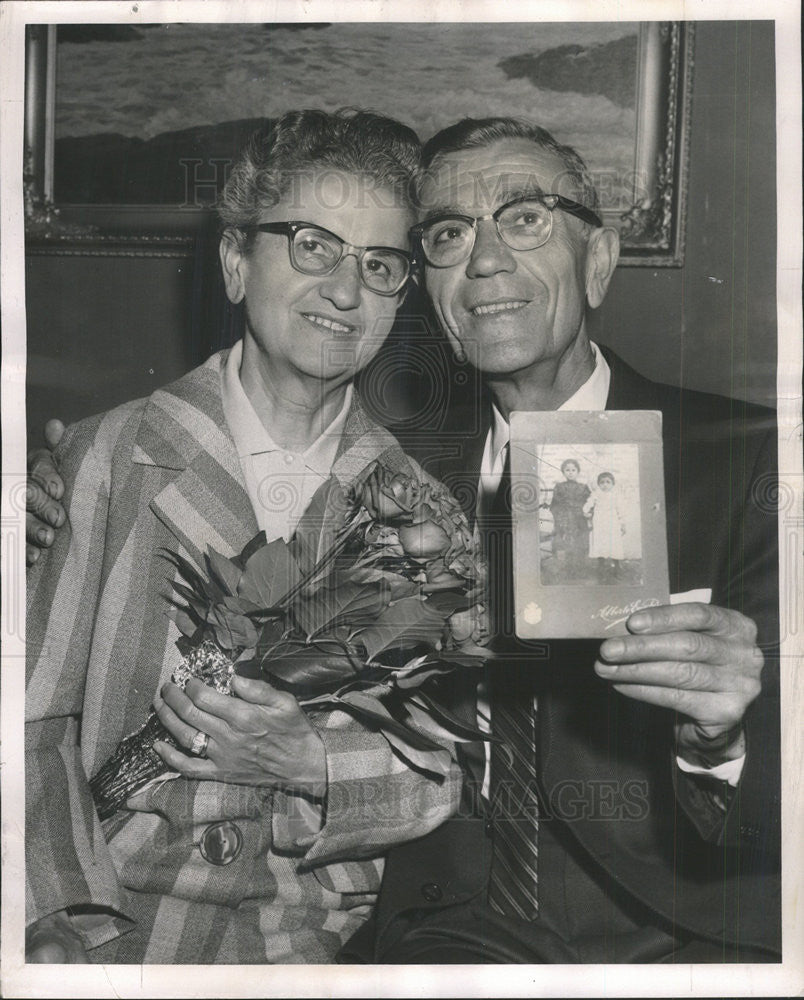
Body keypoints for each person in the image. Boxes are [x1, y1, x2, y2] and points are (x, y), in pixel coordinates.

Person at [26, 117, 781, 964]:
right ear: (430, 291)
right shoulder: (406, 477)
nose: (487, 260)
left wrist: (721, 738)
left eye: (525, 218)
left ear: (599, 261)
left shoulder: (750, 460)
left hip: (680, 936)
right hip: (440, 931)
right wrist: (42, 504)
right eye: (451, 235)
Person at [23, 109, 463, 965]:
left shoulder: (419, 514)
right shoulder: (109, 460)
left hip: (308, 940)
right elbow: (30, 724)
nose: (345, 289)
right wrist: (60, 919)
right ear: (234, 262)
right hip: (109, 920)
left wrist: (313, 764)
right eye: (311, 244)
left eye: (380, 265)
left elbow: (441, 771)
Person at [548, 458, 591, 580]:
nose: (570, 472)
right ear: (563, 472)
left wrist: (588, 513)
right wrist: (560, 519)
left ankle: (581, 569)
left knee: (581, 543)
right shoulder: (559, 487)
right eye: (567, 470)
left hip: (580, 519)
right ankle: (569, 569)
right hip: (565, 519)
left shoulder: (583, 487)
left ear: (578, 472)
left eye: (573, 470)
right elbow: (554, 506)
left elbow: (589, 503)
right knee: (568, 544)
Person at [583, 471, 625, 581]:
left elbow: (621, 510)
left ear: (613, 484)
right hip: (599, 521)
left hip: (612, 522)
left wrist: (622, 523)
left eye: (608, 482)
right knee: (600, 542)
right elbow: (589, 503)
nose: (605, 485)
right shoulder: (596, 494)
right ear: (598, 484)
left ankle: (617, 566)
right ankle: (600, 566)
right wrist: (586, 511)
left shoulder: (616, 495)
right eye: (602, 482)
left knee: (614, 543)